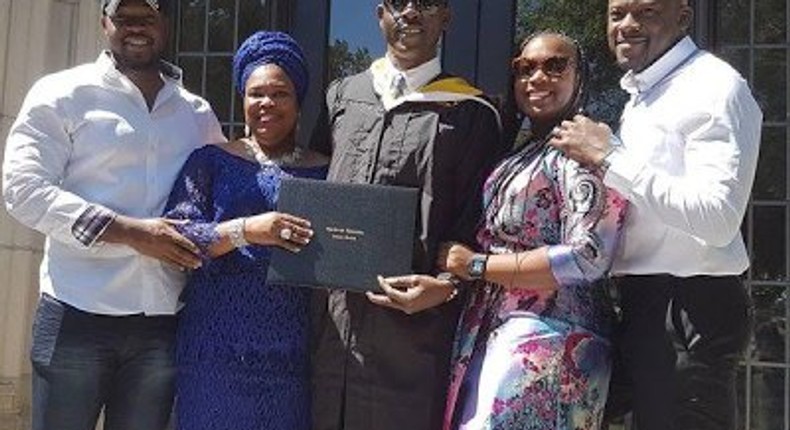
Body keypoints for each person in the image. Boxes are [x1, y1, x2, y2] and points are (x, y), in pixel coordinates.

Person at [1, 0, 225, 429]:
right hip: (76, 315)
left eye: (148, 17)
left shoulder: (196, 114)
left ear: (166, 23)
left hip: (161, 322)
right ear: (104, 23)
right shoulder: (62, 93)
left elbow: (224, 190)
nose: (136, 28)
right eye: (124, 17)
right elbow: (23, 189)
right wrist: (132, 233)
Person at [548, 1, 762, 429]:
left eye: (645, 12)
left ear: (683, 16)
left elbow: (718, 217)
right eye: (617, 14)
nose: (626, 26)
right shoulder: (646, 93)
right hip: (643, 304)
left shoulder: (712, 86)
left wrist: (610, 157)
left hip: (688, 307)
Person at [309, 1, 504, 429]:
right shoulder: (343, 96)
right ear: (380, 14)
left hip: (413, 337)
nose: (411, 12)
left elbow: (481, 224)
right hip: (333, 329)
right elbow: (313, 182)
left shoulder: (472, 113)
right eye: (399, 3)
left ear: (446, 18)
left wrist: (449, 286)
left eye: (427, 3)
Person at [436, 31, 628, 430]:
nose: (536, 77)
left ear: (581, 77)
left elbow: (588, 254)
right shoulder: (526, 150)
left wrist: (476, 266)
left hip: (553, 341)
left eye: (555, 66)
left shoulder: (582, 151)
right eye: (525, 69)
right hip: (500, 329)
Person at [162, 31, 328, 430]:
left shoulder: (326, 171)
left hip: (293, 353)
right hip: (214, 348)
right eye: (256, 93)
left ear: (298, 99)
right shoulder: (211, 161)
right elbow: (177, 239)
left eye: (280, 93)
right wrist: (247, 231)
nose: (266, 103)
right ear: (242, 98)